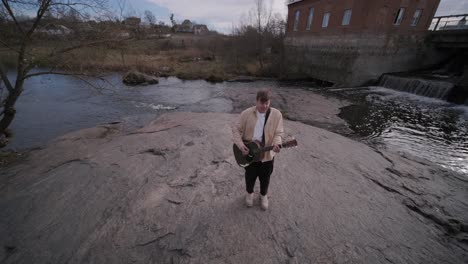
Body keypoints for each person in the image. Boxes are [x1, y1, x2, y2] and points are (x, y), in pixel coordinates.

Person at [232, 89, 284, 210]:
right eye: (262, 103)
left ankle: (263, 195)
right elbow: (236, 130)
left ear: (269, 102)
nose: (264, 106)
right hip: (250, 152)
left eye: (267, 103)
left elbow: (278, 133)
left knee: (265, 176)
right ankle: (249, 193)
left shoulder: (277, 115)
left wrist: (277, 143)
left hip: (267, 154)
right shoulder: (246, 114)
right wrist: (240, 145)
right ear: (256, 101)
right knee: (250, 175)